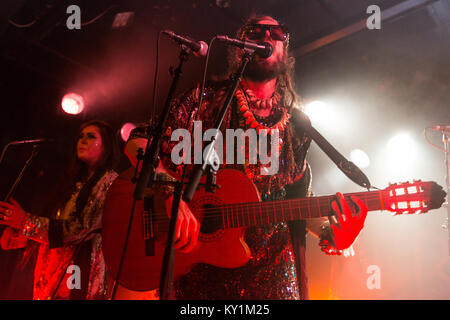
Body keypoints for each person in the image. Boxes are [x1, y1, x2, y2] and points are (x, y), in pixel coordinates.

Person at [124, 14, 368, 299]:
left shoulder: (296, 125)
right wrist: (169, 194)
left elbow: (296, 201)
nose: (267, 37)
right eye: (256, 31)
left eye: (277, 33)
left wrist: (333, 233)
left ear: (285, 49)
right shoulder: (205, 101)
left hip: (273, 279)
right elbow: (138, 140)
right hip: (201, 272)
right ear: (239, 46)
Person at [0, 120, 119, 300]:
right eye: (80, 136)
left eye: (91, 136)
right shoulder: (72, 183)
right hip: (51, 274)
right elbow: (57, 230)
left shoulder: (110, 181)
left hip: (79, 275)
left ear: (107, 146)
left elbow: (80, 229)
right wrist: (22, 236)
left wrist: (26, 222)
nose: (83, 141)